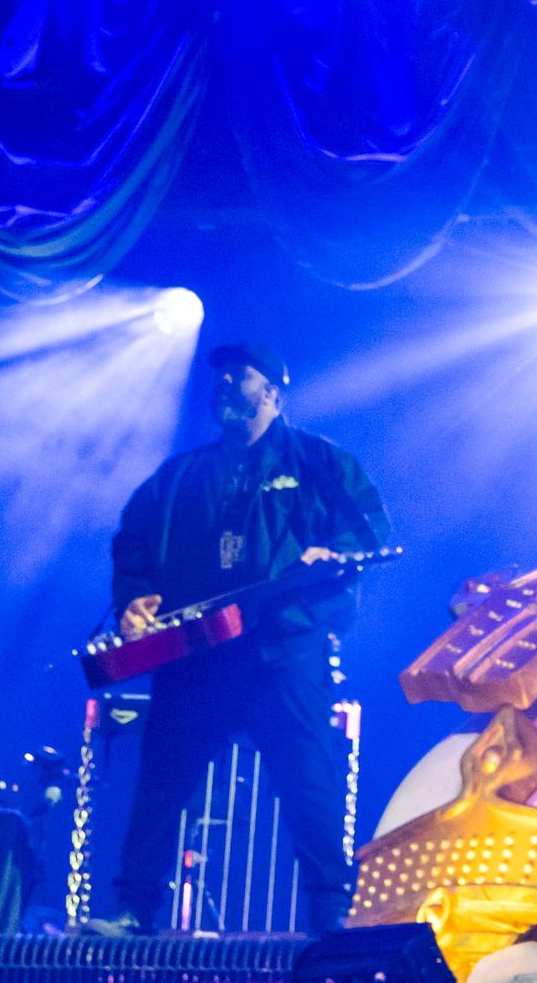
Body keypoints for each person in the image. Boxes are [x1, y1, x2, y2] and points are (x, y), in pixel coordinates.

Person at [101, 340, 390, 934]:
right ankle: (133, 910)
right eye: (221, 379)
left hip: (284, 651)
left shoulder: (319, 462)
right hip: (194, 658)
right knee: (160, 785)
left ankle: (332, 915)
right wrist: (134, 599)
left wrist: (334, 555)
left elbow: (374, 532)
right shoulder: (180, 474)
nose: (226, 386)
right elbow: (131, 541)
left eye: (241, 377)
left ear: (274, 394)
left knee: (307, 781)